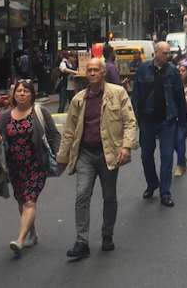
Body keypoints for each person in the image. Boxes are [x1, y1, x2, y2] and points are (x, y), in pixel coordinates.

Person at [57, 58, 137, 258]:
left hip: (108, 153)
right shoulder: (78, 100)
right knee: (82, 195)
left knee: (109, 196)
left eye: (96, 70)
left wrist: (126, 146)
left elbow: (129, 122)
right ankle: (82, 242)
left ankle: (107, 235)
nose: (92, 73)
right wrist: (62, 157)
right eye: (89, 70)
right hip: (85, 153)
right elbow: (69, 131)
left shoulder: (118, 93)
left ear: (103, 72)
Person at [0, 79, 60, 257]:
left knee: (29, 201)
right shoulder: (6, 116)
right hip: (15, 167)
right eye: (19, 91)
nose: (22, 94)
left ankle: (20, 240)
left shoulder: (39, 112)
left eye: (26, 91)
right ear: (14, 95)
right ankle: (33, 233)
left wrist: (58, 155)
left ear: (32, 95)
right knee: (23, 201)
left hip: (37, 165)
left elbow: (54, 134)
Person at [132, 41, 186, 207]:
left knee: (167, 156)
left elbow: (179, 95)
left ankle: (165, 193)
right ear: (156, 52)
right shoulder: (143, 69)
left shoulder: (173, 71)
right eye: (164, 53)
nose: (167, 56)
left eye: (168, 53)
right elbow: (136, 94)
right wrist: (134, 117)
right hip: (147, 119)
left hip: (167, 120)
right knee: (146, 155)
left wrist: (182, 119)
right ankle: (152, 183)